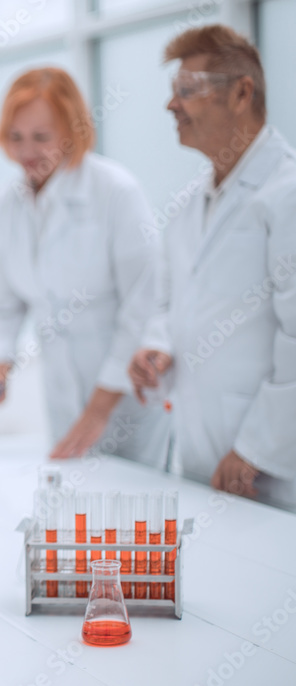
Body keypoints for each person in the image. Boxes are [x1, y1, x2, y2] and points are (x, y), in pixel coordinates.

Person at [129, 25, 296, 510]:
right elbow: (172, 301)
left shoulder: (285, 195)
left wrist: (255, 449)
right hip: (202, 451)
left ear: (242, 93)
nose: (171, 106)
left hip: (268, 465)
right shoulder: (190, 203)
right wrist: (156, 346)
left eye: (187, 91)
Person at [0, 67, 169, 466]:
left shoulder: (116, 191)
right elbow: (3, 304)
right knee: (77, 514)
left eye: (41, 137)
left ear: (71, 132)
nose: (27, 152)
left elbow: (145, 305)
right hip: (61, 394)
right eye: (16, 137)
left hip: (127, 397)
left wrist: (98, 410)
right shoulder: (5, 202)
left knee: (132, 511)